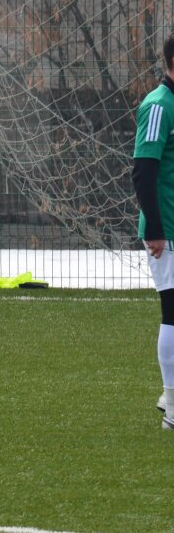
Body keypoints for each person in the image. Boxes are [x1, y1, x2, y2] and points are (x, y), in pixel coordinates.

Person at [133, 35, 174, 429]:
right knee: (173, 312)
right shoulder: (159, 105)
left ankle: (171, 394)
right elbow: (143, 172)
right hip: (168, 231)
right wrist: (157, 231)